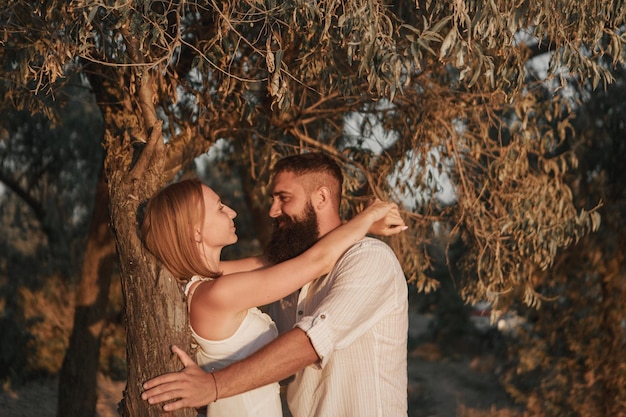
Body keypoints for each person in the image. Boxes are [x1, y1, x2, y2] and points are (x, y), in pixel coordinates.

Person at [142, 152, 409, 417]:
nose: (272, 211)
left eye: (284, 198)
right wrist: (367, 217)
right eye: (220, 207)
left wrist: (213, 385)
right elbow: (317, 261)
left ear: (322, 197)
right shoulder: (221, 290)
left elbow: (307, 338)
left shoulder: (368, 258)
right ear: (195, 230)